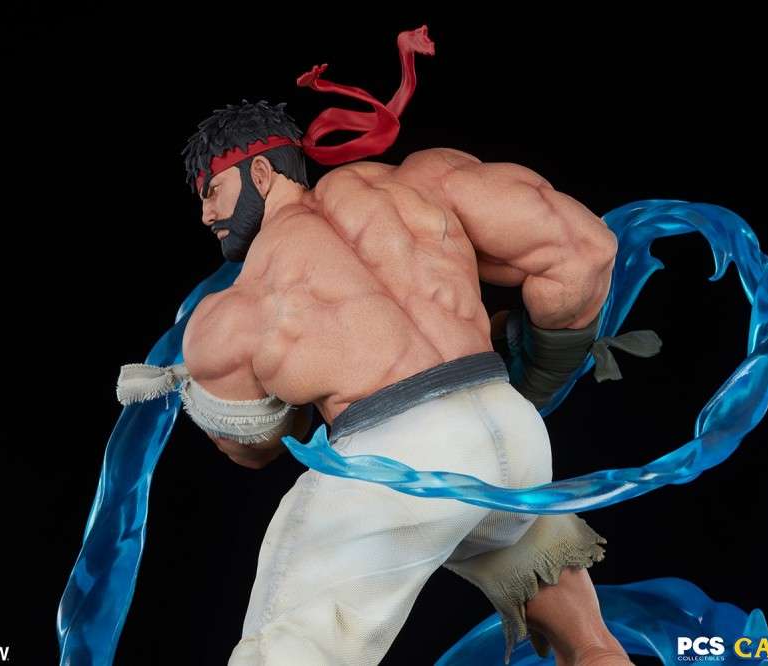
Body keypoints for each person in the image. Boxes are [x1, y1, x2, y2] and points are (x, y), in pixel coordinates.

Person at [117, 96, 632, 666]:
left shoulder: (238, 308)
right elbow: (584, 253)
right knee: (577, 625)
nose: (206, 215)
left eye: (211, 191)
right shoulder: (424, 181)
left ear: (259, 172)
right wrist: (537, 374)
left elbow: (256, 448)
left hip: (398, 463)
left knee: (285, 650)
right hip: (515, 431)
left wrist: (208, 388)